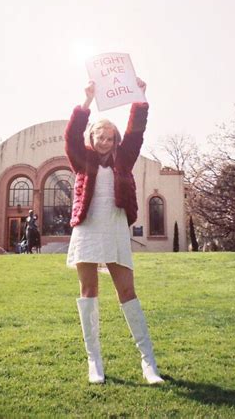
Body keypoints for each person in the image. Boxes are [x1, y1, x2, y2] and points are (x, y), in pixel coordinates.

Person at [65, 78, 164, 385]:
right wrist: (86, 103)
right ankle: (94, 361)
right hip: (88, 229)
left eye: (110, 137)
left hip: (116, 228)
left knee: (127, 292)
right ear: (92, 138)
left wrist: (140, 97)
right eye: (99, 136)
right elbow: (70, 137)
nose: (105, 141)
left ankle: (149, 363)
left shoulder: (124, 159)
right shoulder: (82, 161)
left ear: (115, 139)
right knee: (88, 292)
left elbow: (137, 131)